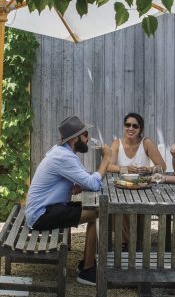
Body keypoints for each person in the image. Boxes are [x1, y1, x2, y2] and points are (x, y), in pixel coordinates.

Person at [25, 115, 114, 286]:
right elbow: (94, 183)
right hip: (41, 215)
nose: (88, 139)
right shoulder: (64, 156)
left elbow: (84, 178)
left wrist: (79, 186)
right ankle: (87, 270)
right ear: (75, 138)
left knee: (94, 210)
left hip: (48, 208)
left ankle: (86, 264)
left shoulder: (63, 152)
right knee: (98, 213)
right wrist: (106, 159)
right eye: (85, 134)